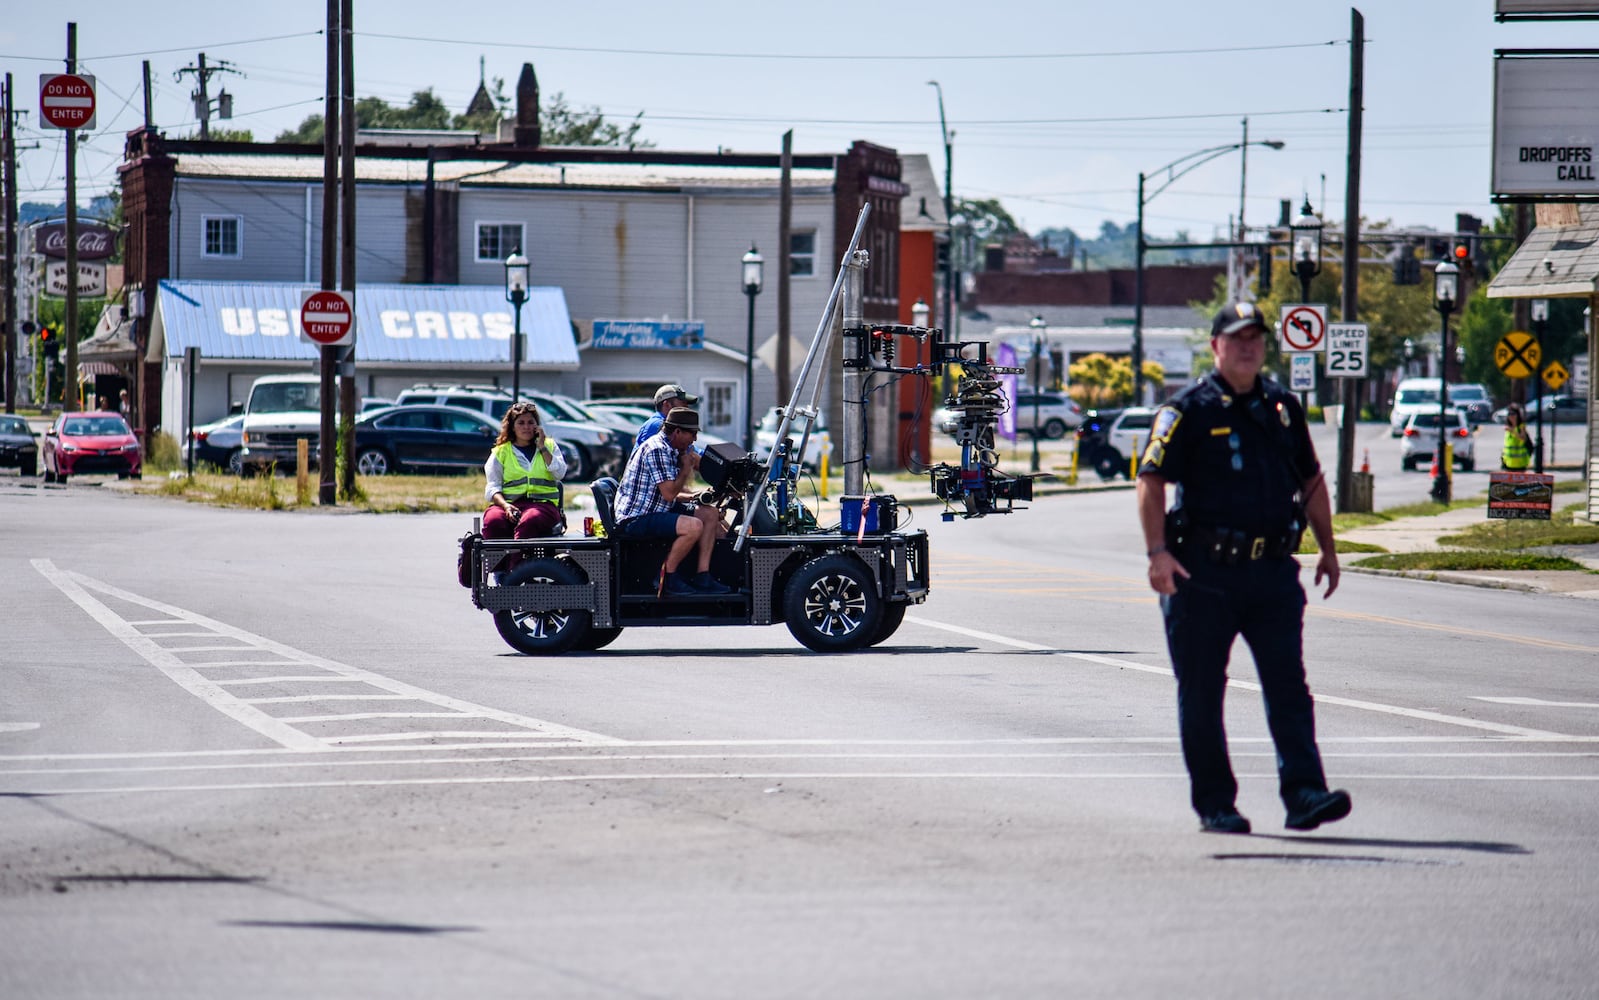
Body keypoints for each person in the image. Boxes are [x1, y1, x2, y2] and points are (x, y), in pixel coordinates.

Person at [1136, 300, 1351, 836]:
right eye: (1236, 337)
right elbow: (1151, 481)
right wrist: (1157, 553)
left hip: (1272, 573)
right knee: (1204, 691)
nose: (1248, 346)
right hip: (1201, 575)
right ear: (1216, 347)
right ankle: (1216, 804)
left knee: (1288, 687)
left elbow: (1312, 480)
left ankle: (1304, 793)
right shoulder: (1186, 409)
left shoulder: (1281, 407)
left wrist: (1328, 547)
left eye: (1255, 336)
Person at [613, 406, 732, 596]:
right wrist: (686, 469)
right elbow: (669, 493)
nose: (694, 439)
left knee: (709, 514)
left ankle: (703, 576)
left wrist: (697, 496)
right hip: (636, 517)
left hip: (657, 507)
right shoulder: (657, 449)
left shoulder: (672, 447)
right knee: (693, 526)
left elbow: (667, 494)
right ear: (677, 431)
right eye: (692, 433)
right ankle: (668, 578)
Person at [483, 401, 567, 577]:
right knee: (493, 520)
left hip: (543, 506)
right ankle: (499, 572)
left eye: (531, 422)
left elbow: (560, 473)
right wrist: (506, 506)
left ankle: (516, 573)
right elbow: (492, 488)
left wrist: (542, 447)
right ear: (512, 426)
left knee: (529, 520)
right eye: (521, 423)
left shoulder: (549, 446)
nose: (526, 427)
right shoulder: (501, 452)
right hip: (510, 505)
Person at [636, 383, 700, 448]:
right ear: (667, 404)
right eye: (683, 403)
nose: (687, 407)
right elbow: (688, 452)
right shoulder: (658, 425)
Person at [1501, 403, 1533, 470]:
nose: (1511, 416)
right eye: (1509, 414)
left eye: (1513, 414)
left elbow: (1523, 438)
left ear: (1517, 415)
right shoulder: (1508, 428)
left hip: (1520, 463)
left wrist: (1513, 431)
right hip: (1508, 463)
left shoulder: (1520, 427)